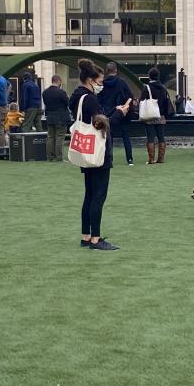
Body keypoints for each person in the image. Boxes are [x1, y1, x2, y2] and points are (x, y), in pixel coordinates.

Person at [70, 58, 116, 251]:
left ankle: (86, 235)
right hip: (97, 153)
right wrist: (119, 113)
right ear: (90, 80)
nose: (101, 85)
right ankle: (96, 238)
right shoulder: (90, 99)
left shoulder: (76, 97)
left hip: (85, 152)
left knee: (89, 194)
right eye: (99, 81)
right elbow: (101, 124)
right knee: (98, 195)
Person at [98, 62, 136, 166]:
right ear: (116, 70)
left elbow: (99, 99)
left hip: (108, 113)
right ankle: (129, 159)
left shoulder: (103, 84)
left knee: (109, 136)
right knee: (125, 136)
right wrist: (125, 106)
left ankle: (109, 159)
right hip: (122, 112)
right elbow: (130, 96)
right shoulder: (122, 82)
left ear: (107, 71)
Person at [141, 67, 173, 165]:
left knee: (150, 138)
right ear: (158, 76)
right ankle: (161, 158)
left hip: (150, 115)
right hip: (161, 115)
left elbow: (142, 101)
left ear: (149, 76)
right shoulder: (163, 88)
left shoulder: (146, 87)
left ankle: (151, 159)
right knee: (161, 137)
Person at [42, 74, 71, 161]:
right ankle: (58, 157)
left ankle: (49, 156)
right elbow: (68, 103)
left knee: (50, 137)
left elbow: (46, 104)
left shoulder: (45, 92)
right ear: (58, 81)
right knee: (59, 137)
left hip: (50, 117)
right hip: (61, 117)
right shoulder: (61, 92)